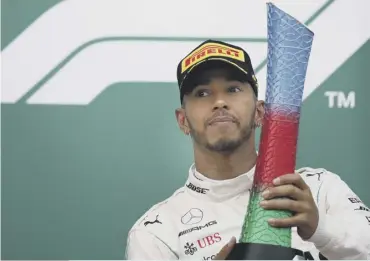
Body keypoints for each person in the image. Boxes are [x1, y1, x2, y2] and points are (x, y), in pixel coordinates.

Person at [125, 40, 370, 260]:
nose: (219, 102)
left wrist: (321, 230)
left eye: (233, 89)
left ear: (260, 112)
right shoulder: (155, 234)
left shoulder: (321, 190)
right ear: (183, 120)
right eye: (202, 93)